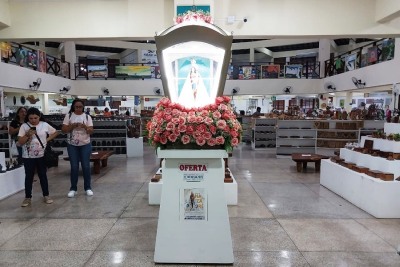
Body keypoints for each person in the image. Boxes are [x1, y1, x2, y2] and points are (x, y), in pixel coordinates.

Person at [17, 107, 58, 207]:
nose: (33, 120)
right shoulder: (24, 126)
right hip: (28, 156)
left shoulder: (44, 125)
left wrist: (46, 140)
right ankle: (28, 197)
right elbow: (20, 142)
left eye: (35, 118)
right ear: (28, 118)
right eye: (31, 118)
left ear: (39, 117)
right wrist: (27, 135)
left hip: (41, 154)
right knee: (29, 176)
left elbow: (55, 132)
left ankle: (46, 195)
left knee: (42, 175)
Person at [61, 99, 94, 198]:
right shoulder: (69, 116)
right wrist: (72, 126)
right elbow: (63, 130)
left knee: (86, 166)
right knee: (74, 167)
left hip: (85, 144)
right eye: (76, 107)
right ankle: (73, 188)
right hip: (72, 144)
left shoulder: (87, 117)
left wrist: (84, 127)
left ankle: (88, 188)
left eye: (80, 107)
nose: (79, 109)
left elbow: (91, 131)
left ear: (83, 107)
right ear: (73, 107)